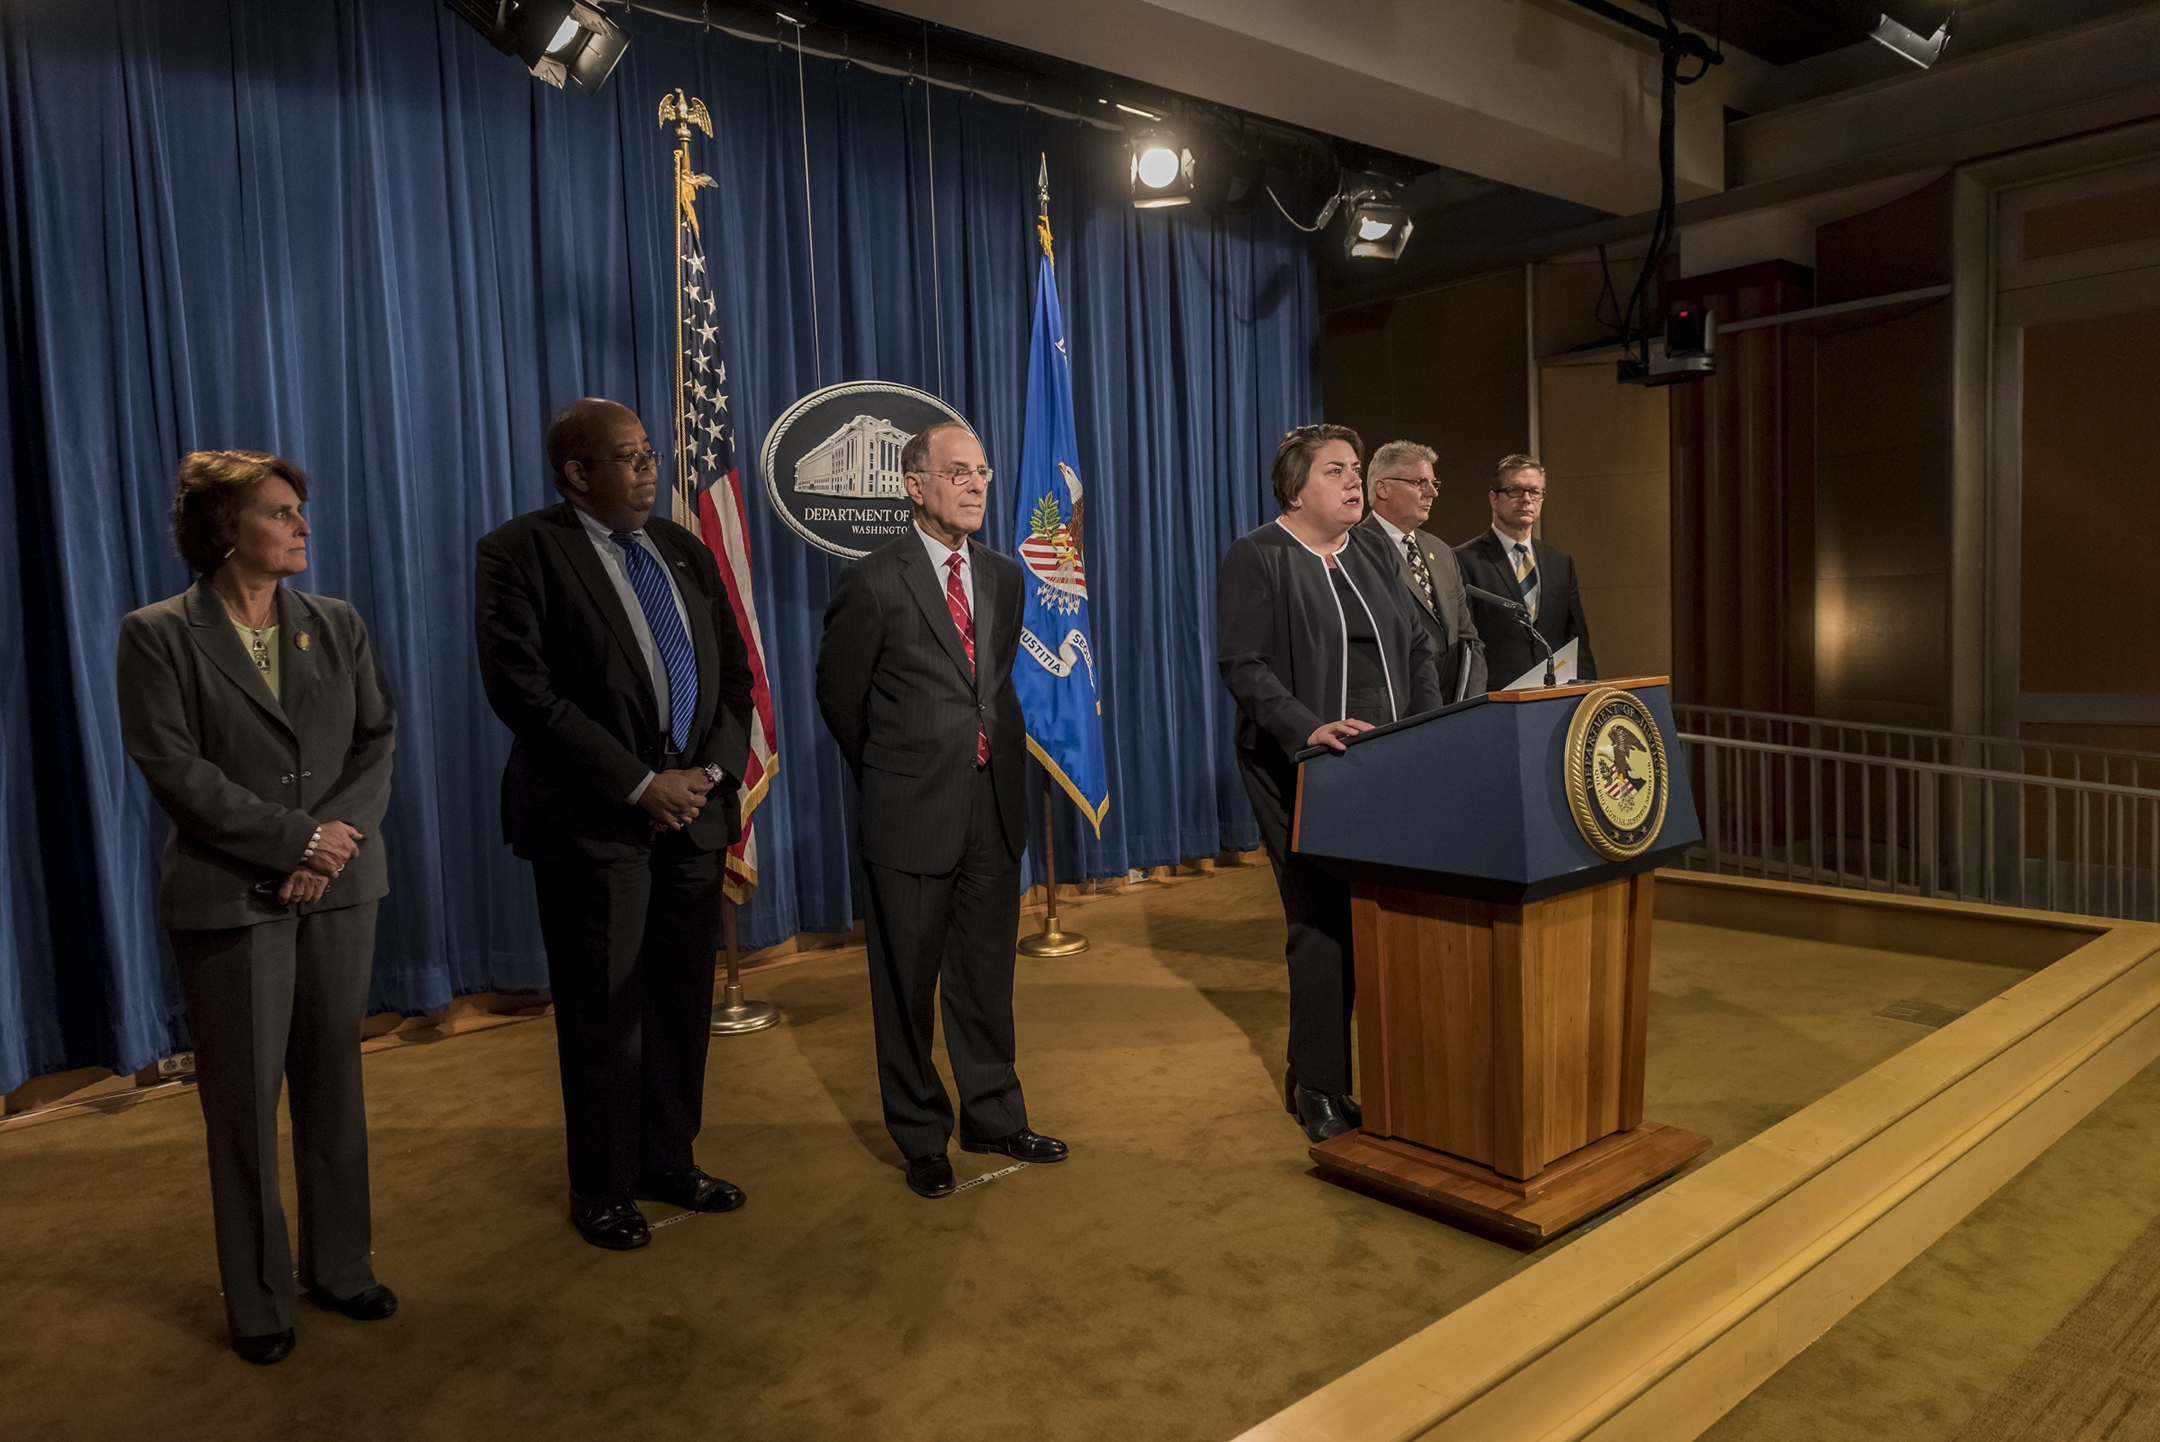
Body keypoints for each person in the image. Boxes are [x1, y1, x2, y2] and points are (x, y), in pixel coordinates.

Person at [117, 450, 397, 1365]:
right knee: (242, 1107)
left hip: (340, 889)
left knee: (334, 1087)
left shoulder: (338, 622)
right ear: (225, 527)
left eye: (298, 511)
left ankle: (341, 1268)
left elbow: (375, 741)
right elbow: (173, 768)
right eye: (281, 512)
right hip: (230, 897)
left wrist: (331, 843)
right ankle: (261, 1299)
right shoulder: (156, 634)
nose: (301, 527)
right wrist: (292, 842)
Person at [474, 398, 754, 1252]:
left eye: (649, 454)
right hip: (594, 824)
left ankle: (669, 1159)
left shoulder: (683, 549)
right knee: (604, 1013)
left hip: (693, 818)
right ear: (576, 473)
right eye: (627, 458)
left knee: (677, 1001)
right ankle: (601, 1185)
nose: (648, 469)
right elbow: (525, 692)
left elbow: (736, 678)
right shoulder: (518, 552)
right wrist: (639, 784)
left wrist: (704, 775)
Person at [815, 420, 1067, 1200]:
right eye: (956, 472)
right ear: (912, 484)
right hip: (910, 812)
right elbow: (840, 699)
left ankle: (993, 1112)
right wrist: (904, 770)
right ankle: (923, 1135)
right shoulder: (873, 580)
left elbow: (987, 685)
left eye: (982, 471)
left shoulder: (1002, 574)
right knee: (906, 987)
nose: (975, 484)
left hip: (993, 809)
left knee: (986, 976)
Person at [1217, 424, 1444, 1143]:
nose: (1353, 484)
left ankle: (1311, 1067)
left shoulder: (1371, 549)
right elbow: (1245, 665)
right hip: (1302, 764)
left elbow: (1414, 644)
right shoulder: (1259, 555)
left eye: (1355, 470)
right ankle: (1319, 1085)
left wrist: (1433, 726)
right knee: (1319, 922)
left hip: (1387, 763)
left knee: (1366, 920)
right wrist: (1307, 727)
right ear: (1295, 488)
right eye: (1337, 472)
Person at [1453, 454, 1597, 689]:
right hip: (1494, 698)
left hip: (1552, 696)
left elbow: (1577, 639)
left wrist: (1588, 693)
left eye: (1534, 492)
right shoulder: (1463, 560)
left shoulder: (1560, 563)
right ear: (1494, 499)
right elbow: (1464, 645)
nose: (1526, 499)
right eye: (1515, 490)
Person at [1358, 440, 1486, 701]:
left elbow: (1469, 640)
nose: (1432, 493)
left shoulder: (1440, 551)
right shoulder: (1354, 549)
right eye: (1419, 483)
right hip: (1395, 712)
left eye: (1433, 483)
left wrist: (1470, 706)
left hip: (1451, 713)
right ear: (1382, 488)